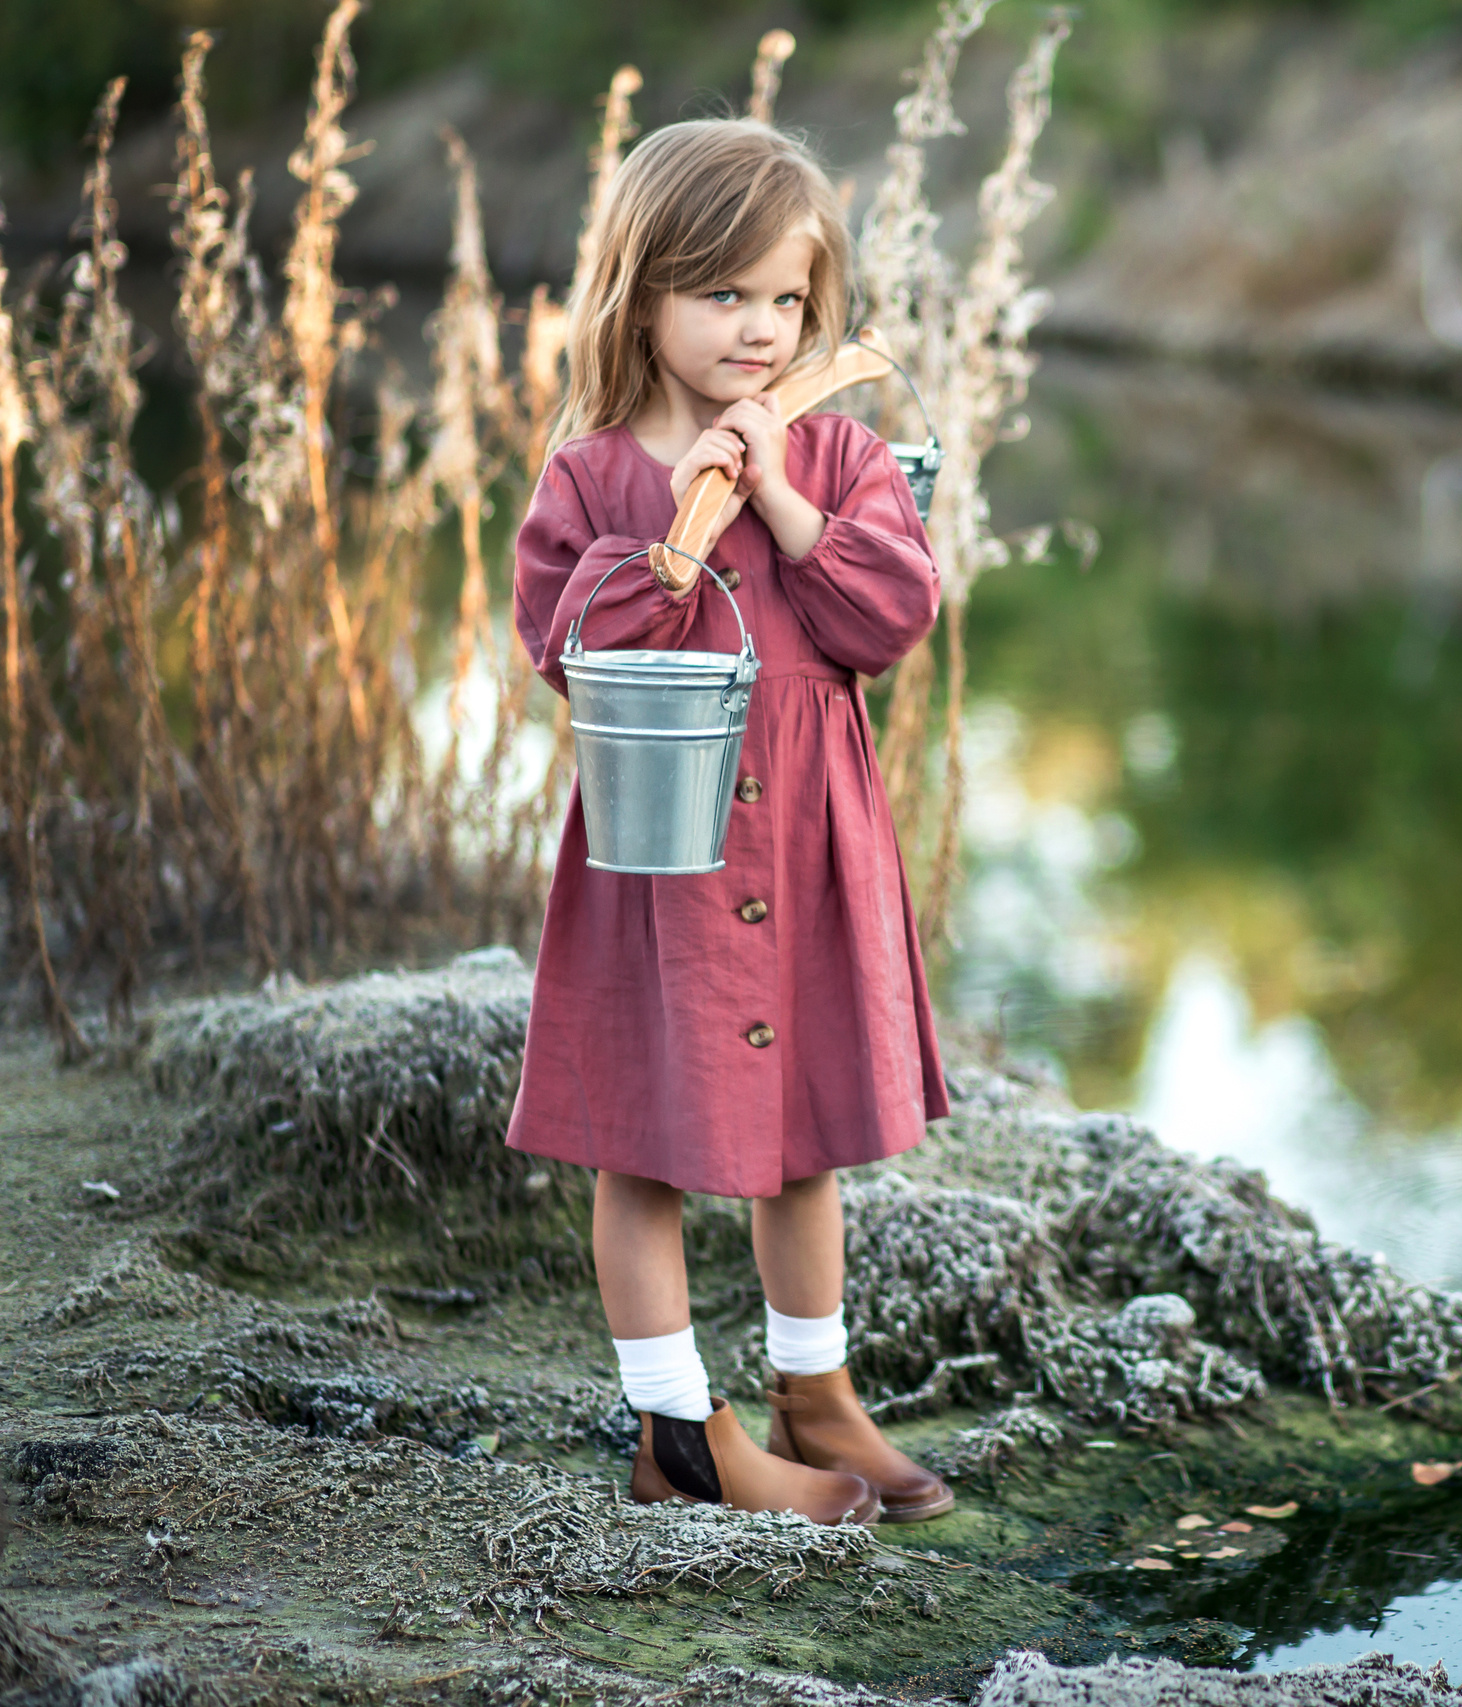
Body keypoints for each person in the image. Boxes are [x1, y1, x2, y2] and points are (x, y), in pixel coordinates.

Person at [508, 117, 954, 1527]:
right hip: (662, 856)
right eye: (722, 297)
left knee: (803, 1127)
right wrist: (687, 522)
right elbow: (567, 643)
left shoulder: (839, 452)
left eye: (787, 301)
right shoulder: (591, 475)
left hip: (810, 846)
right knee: (640, 1139)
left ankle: (813, 1395)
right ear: (642, 294)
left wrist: (779, 491)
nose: (760, 331)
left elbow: (888, 615)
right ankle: (678, 1432)